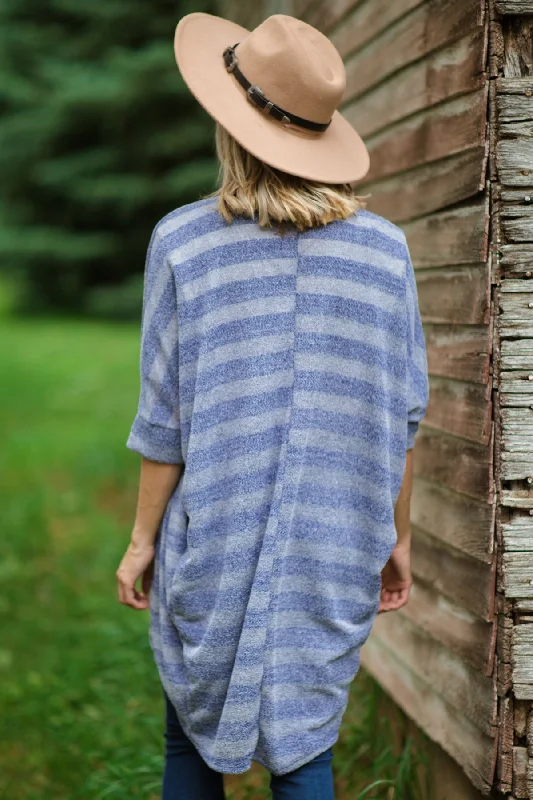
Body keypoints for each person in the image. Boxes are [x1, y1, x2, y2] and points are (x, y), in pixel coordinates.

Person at [116, 11, 429, 800]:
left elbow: (166, 420)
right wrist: (394, 535)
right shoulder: (384, 251)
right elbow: (402, 416)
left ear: (227, 124)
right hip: (336, 542)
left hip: (212, 532)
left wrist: (141, 540)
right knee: (305, 751)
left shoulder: (183, 242)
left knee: (188, 738)